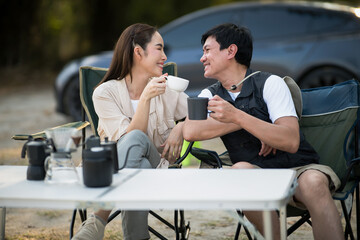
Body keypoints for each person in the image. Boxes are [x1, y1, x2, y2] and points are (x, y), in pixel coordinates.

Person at [182, 23, 344, 240]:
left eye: (208, 50)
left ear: (231, 51)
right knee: (239, 173)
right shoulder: (209, 94)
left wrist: (239, 116)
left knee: (314, 183)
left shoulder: (270, 84)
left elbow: (290, 140)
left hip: (297, 169)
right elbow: (191, 131)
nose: (202, 58)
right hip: (256, 173)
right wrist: (254, 121)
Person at [72, 23, 188, 240]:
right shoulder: (104, 93)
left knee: (137, 142)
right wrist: (145, 99)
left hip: (158, 168)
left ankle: (98, 219)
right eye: (159, 48)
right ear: (138, 52)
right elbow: (128, 140)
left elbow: (200, 113)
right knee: (137, 157)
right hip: (137, 171)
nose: (164, 56)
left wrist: (181, 126)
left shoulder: (167, 87)